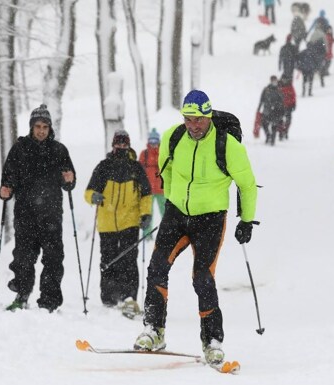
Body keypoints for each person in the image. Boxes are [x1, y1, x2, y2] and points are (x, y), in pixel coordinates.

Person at [134, 90, 258, 366]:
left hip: (210, 218)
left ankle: (212, 342)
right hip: (176, 213)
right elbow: (165, 170)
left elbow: (247, 184)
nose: (194, 125)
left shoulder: (228, 146)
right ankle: (154, 330)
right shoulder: (173, 137)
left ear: (209, 116)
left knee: (202, 278)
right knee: (156, 267)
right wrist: (173, 200)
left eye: (199, 120)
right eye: (189, 119)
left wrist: (246, 220)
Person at [0, 104, 76, 313]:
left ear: (50, 128)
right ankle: (22, 295)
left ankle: (49, 302)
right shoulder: (19, 149)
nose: (41, 130)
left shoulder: (59, 150)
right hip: (25, 214)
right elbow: (8, 178)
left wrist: (69, 180)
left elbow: (68, 180)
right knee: (23, 257)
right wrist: (5, 189)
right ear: (31, 127)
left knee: (53, 259)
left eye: (45, 126)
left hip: (51, 214)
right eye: (38, 126)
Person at [84, 129, 152, 318]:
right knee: (108, 259)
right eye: (118, 143)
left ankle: (129, 296)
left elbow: (146, 194)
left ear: (128, 145)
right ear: (113, 145)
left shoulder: (136, 167)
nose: (121, 147)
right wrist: (94, 196)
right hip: (107, 223)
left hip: (130, 221)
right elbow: (88, 192)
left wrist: (146, 214)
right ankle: (109, 297)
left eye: (124, 143)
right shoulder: (103, 167)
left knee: (129, 260)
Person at [139, 128, 165, 238]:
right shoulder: (144, 154)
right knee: (147, 213)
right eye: (151, 141)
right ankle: (147, 235)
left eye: (155, 141)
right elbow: (139, 171)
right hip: (147, 190)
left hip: (162, 189)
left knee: (166, 213)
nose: (153, 144)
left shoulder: (163, 153)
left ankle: (167, 235)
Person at [256, 75, 285, 145]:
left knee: (274, 125)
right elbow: (262, 99)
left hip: (276, 111)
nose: (274, 82)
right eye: (273, 80)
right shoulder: (266, 89)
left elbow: (282, 101)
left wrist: (280, 108)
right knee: (264, 123)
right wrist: (259, 108)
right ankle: (268, 135)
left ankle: (273, 139)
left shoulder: (279, 90)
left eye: (275, 81)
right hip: (267, 110)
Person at [278, 75, 296, 140]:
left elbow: (293, 96)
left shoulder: (290, 86)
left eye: (285, 79)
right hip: (280, 106)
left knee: (288, 120)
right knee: (280, 120)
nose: (284, 81)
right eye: (283, 79)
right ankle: (280, 132)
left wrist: (294, 104)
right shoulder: (279, 86)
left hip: (289, 106)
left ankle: (285, 131)